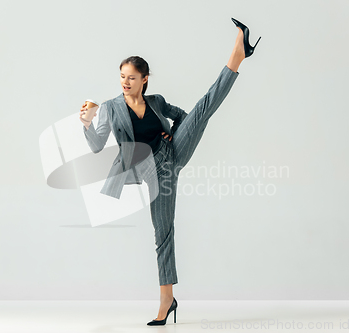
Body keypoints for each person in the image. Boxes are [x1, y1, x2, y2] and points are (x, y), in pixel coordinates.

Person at [80, 17, 261, 326]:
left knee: (204, 109)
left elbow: (185, 117)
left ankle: (238, 55)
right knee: (163, 234)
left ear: (145, 79)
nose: (125, 82)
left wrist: (172, 134)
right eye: (122, 76)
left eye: (132, 77)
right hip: (153, 174)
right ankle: (168, 299)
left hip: (173, 152)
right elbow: (97, 146)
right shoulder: (111, 107)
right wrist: (86, 123)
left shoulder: (156, 101)